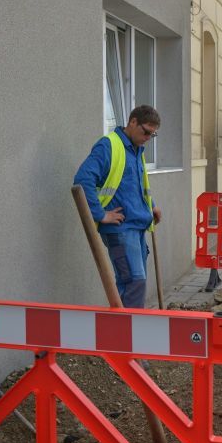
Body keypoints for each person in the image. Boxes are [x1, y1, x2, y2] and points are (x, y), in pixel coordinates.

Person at [74, 105, 163, 307]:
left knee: (134, 284)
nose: (148, 138)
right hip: (121, 229)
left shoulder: (135, 150)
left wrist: (152, 206)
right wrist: (100, 214)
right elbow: (83, 179)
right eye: (146, 132)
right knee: (134, 282)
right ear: (133, 122)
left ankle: (126, 332)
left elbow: (134, 186)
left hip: (137, 226)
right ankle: (128, 335)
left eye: (153, 135)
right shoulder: (109, 146)